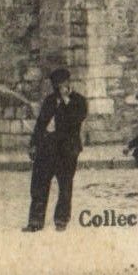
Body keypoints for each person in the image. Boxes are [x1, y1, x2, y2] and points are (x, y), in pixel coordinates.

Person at [23, 65, 88, 232]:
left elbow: (74, 121)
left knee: (65, 186)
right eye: (56, 85)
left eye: (62, 84)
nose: (59, 87)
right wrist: (33, 144)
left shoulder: (78, 101)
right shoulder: (50, 100)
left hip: (67, 150)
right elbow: (40, 124)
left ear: (68, 83)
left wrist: (65, 103)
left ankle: (61, 220)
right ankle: (35, 222)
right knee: (38, 186)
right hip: (47, 149)